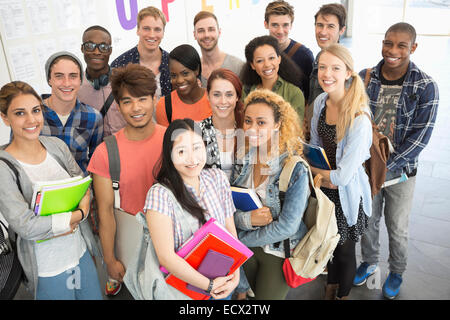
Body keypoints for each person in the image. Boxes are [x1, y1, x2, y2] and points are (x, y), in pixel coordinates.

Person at [354, 22, 439, 300]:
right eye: (388, 43)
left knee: (397, 226)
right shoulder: (365, 77)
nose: (392, 50)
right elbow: (354, 122)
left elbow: (420, 137)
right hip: (368, 167)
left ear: (413, 48)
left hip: (402, 172)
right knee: (367, 219)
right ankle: (368, 262)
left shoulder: (425, 86)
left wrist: (387, 167)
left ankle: (397, 271)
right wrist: (367, 164)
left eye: (401, 45)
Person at [0, 81, 102, 300]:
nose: (31, 120)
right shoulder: (3, 166)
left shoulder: (56, 145)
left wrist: (80, 212)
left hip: (80, 252)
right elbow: (25, 225)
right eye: (20, 113)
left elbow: (83, 186)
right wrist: (76, 216)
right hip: (47, 267)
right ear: (5, 118)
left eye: (36, 110)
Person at [87, 64, 165, 297]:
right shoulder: (105, 152)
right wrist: (110, 259)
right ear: (119, 106)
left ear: (154, 99)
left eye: (142, 99)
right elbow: (106, 212)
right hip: (133, 247)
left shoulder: (173, 140)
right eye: (127, 101)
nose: (136, 108)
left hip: (173, 245)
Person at [144, 118, 240, 299]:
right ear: (170, 155)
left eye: (197, 148)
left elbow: (231, 234)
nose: (192, 159)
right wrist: (209, 286)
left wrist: (236, 275)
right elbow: (166, 257)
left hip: (222, 281)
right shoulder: (160, 194)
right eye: (182, 151)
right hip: (183, 292)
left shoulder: (217, 178)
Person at [231, 89, 310, 300]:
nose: (252, 128)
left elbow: (287, 226)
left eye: (261, 122)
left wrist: (241, 239)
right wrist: (247, 219)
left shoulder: (295, 169)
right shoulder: (243, 158)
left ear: (277, 125)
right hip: (244, 246)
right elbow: (228, 208)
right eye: (248, 121)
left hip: (277, 252)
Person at [309, 44, 372, 300]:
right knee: (329, 248)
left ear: (348, 73)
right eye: (323, 67)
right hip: (325, 192)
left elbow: (343, 178)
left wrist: (314, 171)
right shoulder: (321, 102)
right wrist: (322, 173)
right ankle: (329, 291)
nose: (327, 73)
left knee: (345, 253)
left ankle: (342, 295)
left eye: (336, 68)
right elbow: (313, 144)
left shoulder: (359, 118)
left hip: (347, 197)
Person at [41, 51, 103, 174]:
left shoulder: (93, 117)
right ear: (49, 80)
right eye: (59, 76)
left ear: (80, 80)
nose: (67, 83)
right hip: (44, 191)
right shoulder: (31, 115)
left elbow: (97, 166)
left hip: (81, 190)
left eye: (73, 76)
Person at [305, 3, 347, 140]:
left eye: (330, 26)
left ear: (342, 30)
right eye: (319, 25)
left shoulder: (343, 62)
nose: (323, 32)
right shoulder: (319, 57)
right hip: (314, 137)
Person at [241, 35, 305, 124]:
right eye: (260, 61)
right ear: (252, 65)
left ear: (279, 59)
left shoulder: (294, 93)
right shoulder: (247, 90)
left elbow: (295, 130)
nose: (267, 64)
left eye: (271, 58)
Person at [111, 6, 171, 99]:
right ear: (138, 30)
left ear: (163, 33)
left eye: (157, 29)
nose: (152, 35)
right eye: (146, 28)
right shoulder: (120, 65)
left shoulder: (172, 63)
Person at [78, 25, 126, 136]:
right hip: (98, 151)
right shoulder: (75, 86)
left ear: (110, 51)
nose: (97, 52)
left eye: (103, 47)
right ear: (82, 48)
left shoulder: (125, 80)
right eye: (90, 46)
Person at [199, 68, 244, 179]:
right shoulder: (197, 131)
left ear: (237, 97)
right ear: (208, 96)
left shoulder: (247, 128)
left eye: (229, 95)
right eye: (217, 95)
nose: (223, 101)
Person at [264, 0, 314, 101]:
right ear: (266, 24)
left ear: (291, 25)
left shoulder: (305, 56)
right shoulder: (258, 52)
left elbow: (309, 95)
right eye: (275, 25)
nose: (280, 31)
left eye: (285, 25)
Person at [155, 44, 212, 127]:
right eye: (174, 75)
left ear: (197, 70)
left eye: (185, 73)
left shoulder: (214, 99)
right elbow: (165, 139)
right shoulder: (164, 105)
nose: (179, 80)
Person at [193, 11, 245, 87]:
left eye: (211, 29)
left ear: (219, 32)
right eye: (201, 31)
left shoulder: (238, 67)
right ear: (195, 35)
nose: (206, 35)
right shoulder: (193, 72)